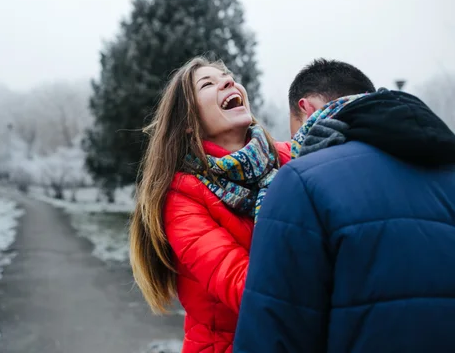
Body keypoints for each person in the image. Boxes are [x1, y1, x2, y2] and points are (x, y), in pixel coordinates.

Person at [234, 58, 455, 353]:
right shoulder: (445, 167)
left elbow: (273, 331)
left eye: (295, 132)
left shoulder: (302, 180)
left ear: (306, 108)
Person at [128, 56, 291, 353]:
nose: (228, 81)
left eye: (227, 76)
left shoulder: (288, 158)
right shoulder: (181, 200)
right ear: (189, 123)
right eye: (208, 83)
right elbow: (249, 289)